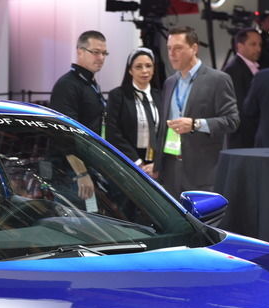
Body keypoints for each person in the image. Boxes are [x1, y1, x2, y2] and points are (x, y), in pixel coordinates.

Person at [156, 27, 239, 195]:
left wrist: (195, 124)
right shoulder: (170, 82)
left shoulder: (218, 80)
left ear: (194, 48)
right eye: (169, 48)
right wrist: (158, 165)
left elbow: (232, 121)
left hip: (202, 173)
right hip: (171, 170)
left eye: (178, 48)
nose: (172, 54)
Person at [106, 47, 162, 169]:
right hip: (127, 161)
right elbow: (113, 133)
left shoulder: (161, 96)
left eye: (148, 66)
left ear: (153, 69)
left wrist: (157, 164)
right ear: (130, 70)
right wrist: (137, 162)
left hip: (155, 163)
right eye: (138, 67)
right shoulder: (117, 96)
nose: (144, 71)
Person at [49, 30, 108, 135]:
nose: (101, 58)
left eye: (104, 53)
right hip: (75, 145)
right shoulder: (67, 85)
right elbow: (65, 130)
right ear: (80, 52)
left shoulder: (90, 83)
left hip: (91, 144)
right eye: (96, 52)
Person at [223, 28, 261, 148]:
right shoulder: (233, 70)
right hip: (243, 137)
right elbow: (239, 107)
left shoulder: (254, 67)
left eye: (260, 44)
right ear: (240, 46)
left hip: (252, 135)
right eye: (253, 44)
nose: (258, 49)